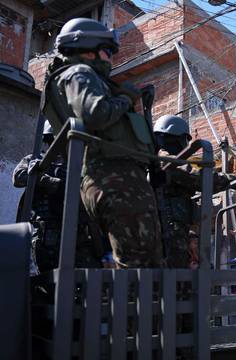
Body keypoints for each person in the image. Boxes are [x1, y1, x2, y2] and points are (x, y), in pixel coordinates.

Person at [42, 18, 163, 268]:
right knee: (138, 265)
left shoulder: (81, 76)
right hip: (113, 177)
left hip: (114, 177)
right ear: (88, 48)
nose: (111, 58)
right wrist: (126, 99)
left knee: (144, 261)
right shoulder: (79, 72)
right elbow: (95, 113)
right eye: (108, 51)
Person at [153, 114, 236, 268]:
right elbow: (203, 178)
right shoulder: (166, 160)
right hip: (169, 231)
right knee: (175, 280)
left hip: (170, 229)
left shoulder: (157, 159)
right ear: (175, 138)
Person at [13, 122, 103, 273]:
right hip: (49, 235)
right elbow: (18, 177)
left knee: (90, 278)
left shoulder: (79, 165)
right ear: (50, 140)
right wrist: (50, 182)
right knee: (49, 282)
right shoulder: (36, 160)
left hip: (78, 234)